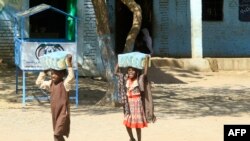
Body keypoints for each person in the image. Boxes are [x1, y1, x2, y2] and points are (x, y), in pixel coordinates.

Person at [115, 56, 156, 141]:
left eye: (133, 70)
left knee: (137, 125)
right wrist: (120, 61)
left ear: (136, 72)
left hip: (137, 105)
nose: (131, 72)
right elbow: (116, 72)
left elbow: (145, 73)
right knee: (127, 123)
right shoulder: (126, 79)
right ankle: (132, 138)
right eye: (129, 70)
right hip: (128, 105)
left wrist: (145, 61)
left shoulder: (139, 80)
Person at [36, 55, 74, 141]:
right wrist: (43, 72)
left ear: (62, 74)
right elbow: (38, 83)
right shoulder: (50, 83)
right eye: (52, 73)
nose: (53, 75)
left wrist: (69, 65)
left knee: (57, 134)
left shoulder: (65, 84)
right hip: (54, 113)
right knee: (57, 135)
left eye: (55, 73)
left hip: (63, 113)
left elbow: (71, 77)